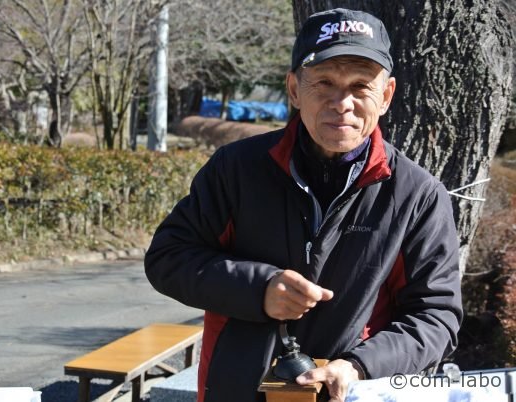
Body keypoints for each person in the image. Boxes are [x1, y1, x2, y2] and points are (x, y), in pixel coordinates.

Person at [145, 8, 462, 402]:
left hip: (352, 393)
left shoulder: (418, 194)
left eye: (361, 85)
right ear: (294, 89)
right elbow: (168, 258)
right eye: (324, 82)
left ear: (386, 95)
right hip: (236, 390)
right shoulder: (235, 168)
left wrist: (359, 365)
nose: (342, 102)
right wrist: (258, 289)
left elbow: (436, 315)